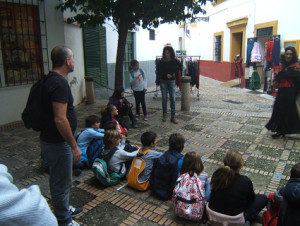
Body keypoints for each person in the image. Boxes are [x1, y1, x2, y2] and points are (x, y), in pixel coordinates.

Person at [40, 46, 82, 226]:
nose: (74, 61)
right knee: (62, 183)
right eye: (72, 58)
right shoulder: (59, 83)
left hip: (50, 140)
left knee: (58, 180)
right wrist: (73, 145)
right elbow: (60, 118)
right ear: (67, 61)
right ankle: (65, 221)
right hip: (58, 142)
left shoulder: (49, 79)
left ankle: (63, 209)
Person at [208, 150, 267, 223]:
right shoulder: (245, 181)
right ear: (241, 165)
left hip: (213, 216)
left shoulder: (216, 175)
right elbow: (250, 200)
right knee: (263, 198)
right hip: (235, 220)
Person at [266, 46, 300, 138]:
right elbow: (279, 79)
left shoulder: (296, 67)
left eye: (290, 54)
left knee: (289, 112)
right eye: (287, 54)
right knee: (278, 111)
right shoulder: (281, 66)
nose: (288, 56)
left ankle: (284, 130)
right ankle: (279, 130)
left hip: (290, 92)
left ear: (293, 56)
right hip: (281, 92)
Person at [172, 152, 210, 221]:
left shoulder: (180, 174)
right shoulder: (204, 175)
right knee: (208, 184)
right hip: (196, 204)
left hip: (181, 204)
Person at [156, 45, 182, 124]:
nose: (166, 54)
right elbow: (158, 71)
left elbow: (180, 67)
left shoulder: (174, 61)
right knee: (164, 99)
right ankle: (164, 115)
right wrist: (165, 74)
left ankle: (173, 116)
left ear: (171, 53)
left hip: (171, 81)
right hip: (163, 81)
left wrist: (173, 74)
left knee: (172, 99)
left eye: (168, 53)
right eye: (165, 53)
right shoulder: (161, 61)